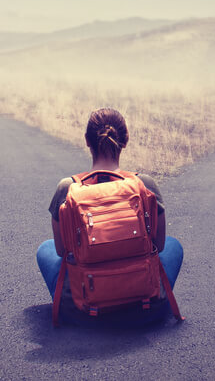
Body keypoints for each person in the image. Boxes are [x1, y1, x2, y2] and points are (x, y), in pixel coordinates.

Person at [36, 108, 183, 323]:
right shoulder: (145, 184)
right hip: (144, 308)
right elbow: (158, 245)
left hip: (83, 310)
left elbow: (62, 251)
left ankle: (75, 300)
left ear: (87, 141)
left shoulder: (67, 188)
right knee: (172, 245)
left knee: (46, 249)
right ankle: (142, 297)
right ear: (126, 140)